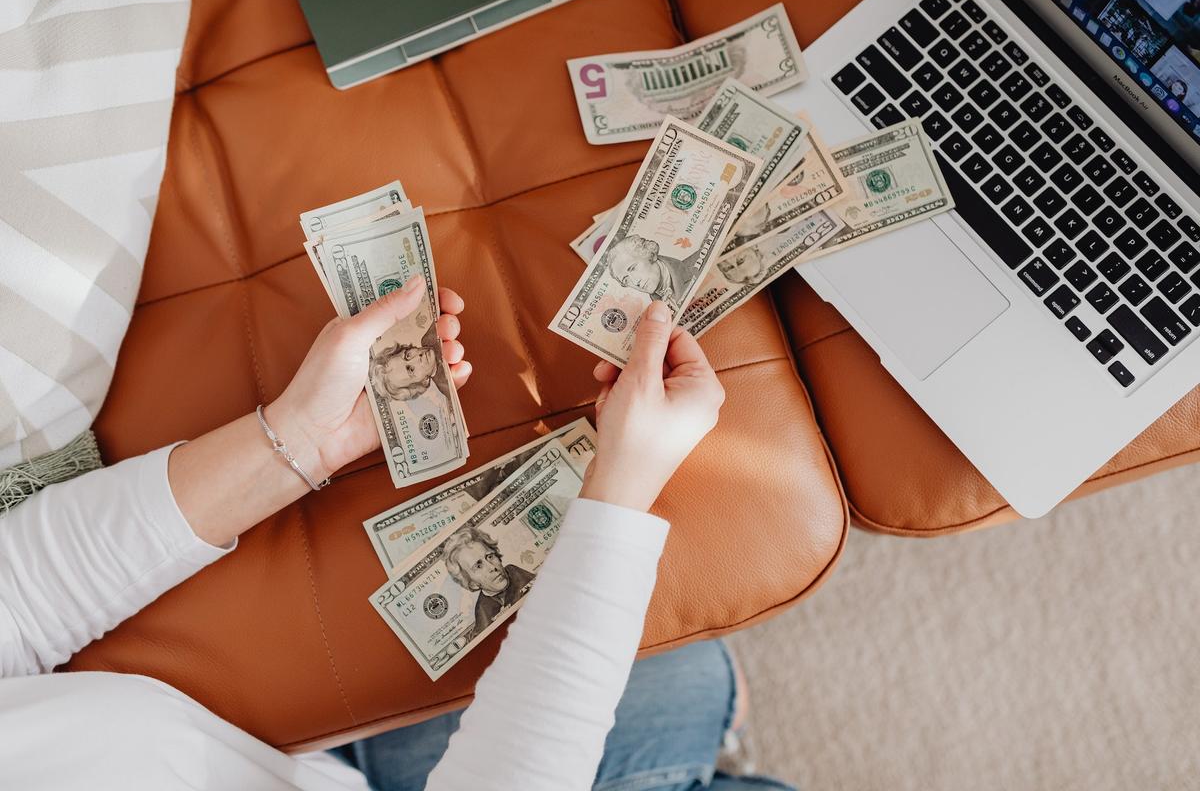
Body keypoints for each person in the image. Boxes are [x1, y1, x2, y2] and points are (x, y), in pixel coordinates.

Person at [0, 274, 794, 790]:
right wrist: (621, 487)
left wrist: (300, 439)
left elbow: (22, 597)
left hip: (294, 755)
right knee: (690, 686)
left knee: (683, 683)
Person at [442, 526, 535, 632]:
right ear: (472, 584)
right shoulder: (482, 614)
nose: (492, 567)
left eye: (490, 557)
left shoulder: (515, 573)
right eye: (478, 566)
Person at [607, 235, 692, 308]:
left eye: (633, 268)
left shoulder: (693, 268)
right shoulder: (655, 305)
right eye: (626, 280)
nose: (636, 282)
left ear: (651, 255)